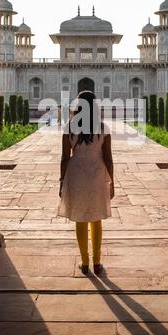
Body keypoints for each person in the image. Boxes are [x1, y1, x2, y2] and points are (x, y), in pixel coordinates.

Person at [57, 90, 114, 276]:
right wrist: (112, 182)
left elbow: (65, 158)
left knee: (80, 219)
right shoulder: (103, 128)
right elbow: (108, 158)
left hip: (76, 175)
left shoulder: (70, 128)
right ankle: (97, 263)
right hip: (97, 174)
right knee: (96, 219)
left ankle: (84, 262)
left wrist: (61, 181)